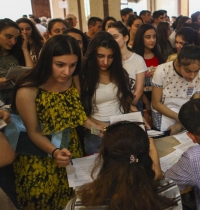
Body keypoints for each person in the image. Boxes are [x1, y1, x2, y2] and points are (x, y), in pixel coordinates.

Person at [11, 34, 106, 209]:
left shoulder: (72, 80)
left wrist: (100, 130)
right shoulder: (28, 89)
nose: (67, 72)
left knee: (71, 200)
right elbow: (33, 132)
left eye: (73, 65)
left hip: (70, 151)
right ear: (47, 61)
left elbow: (79, 118)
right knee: (44, 201)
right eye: (60, 65)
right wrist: (54, 152)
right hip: (40, 157)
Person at [64, 122, 181, 210]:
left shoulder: (81, 203)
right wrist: (157, 167)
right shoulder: (169, 189)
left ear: (104, 157)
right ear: (146, 156)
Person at [80, 32, 143, 155]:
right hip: (95, 129)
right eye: (100, 56)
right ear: (93, 55)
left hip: (120, 127)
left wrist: (139, 119)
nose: (105, 61)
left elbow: (127, 102)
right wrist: (103, 126)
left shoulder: (120, 74)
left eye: (110, 57)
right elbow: (79, 114)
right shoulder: (83, 77)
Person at [152, 45, 200, 134]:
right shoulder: (162, 71)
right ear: (178, 63)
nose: (192, 76)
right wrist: (181, 119)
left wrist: (180, 125)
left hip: (186, 115)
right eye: (187, 71)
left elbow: (195, 105)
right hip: (163, 113)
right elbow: (156, 104)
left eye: (196, 71)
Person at [107, 22, 147, 113]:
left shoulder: (137, 59)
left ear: (125, 38)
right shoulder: (107, 60)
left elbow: (138, 90)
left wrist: (129, 106)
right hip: (111, 105)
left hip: (132, 103)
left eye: (115, 37)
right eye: (109, 38)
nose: (111, 41)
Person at [0, 19, 34, 104]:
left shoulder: (16, 53)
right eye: (8, 37)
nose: (13, 42)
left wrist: (25, 49)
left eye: (16, 38)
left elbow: (31, 71)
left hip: (18, 100)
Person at [133, 24, 164, 111]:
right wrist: (146, 102)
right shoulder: (135, 57)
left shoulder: (159, 56)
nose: (152, 40)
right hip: (140, 98)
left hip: (157, 96)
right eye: (148, 37)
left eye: (154, 37)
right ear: (140, 38)